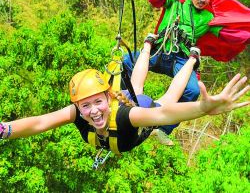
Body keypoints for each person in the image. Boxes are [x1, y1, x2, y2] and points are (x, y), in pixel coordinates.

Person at [0, 39, 249, 158]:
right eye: (85, 106)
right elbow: (40, 123)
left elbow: (163, 115)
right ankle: (148, 44)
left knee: (168, 97)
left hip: (136, 110)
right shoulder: (78, 113)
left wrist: (204, 108)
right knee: (136, 86)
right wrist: (5, 129)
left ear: (108, 98)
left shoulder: (127, 115)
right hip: (125, 99)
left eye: (97, 102)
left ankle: (193, 58)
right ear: (77, 106)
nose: (93, 112)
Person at [122, 0, 250, 137]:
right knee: (126, 61)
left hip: (181, 60)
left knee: (193, 91)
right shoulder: (174, 0)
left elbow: (232, 35)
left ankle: (161, 128)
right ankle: (124, 103)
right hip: (159, 52)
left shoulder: (208, 18)